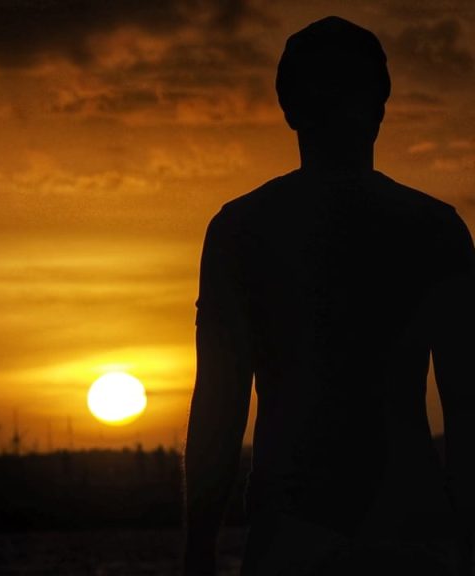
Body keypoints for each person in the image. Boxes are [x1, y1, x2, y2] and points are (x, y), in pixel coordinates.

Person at [183, 16, 475, 576]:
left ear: (288, 108)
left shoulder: (241, 232)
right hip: (413, 535)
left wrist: (198, 552)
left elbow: (219, 410)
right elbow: (467, 405)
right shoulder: (435, 229)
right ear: (381, 108)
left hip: (294, 537)